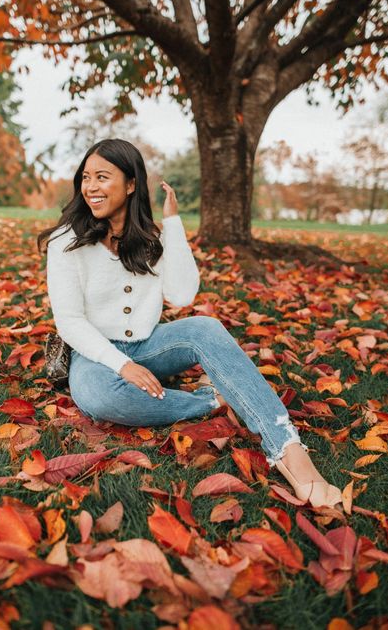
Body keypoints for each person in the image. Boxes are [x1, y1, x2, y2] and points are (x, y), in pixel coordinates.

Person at [38, 138, 342, 509]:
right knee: (100, 397)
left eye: (102, 177)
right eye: (86, 177)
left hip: (149, 345)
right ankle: (207, 399)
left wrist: (173, 225)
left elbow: (183, 295)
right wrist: (123, 365)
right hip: (96, 355)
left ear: (131, 184)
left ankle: (287, 448)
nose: (91, 187)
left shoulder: (152, 237)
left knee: (206, 328)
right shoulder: (66, 241)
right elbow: (69, 321)